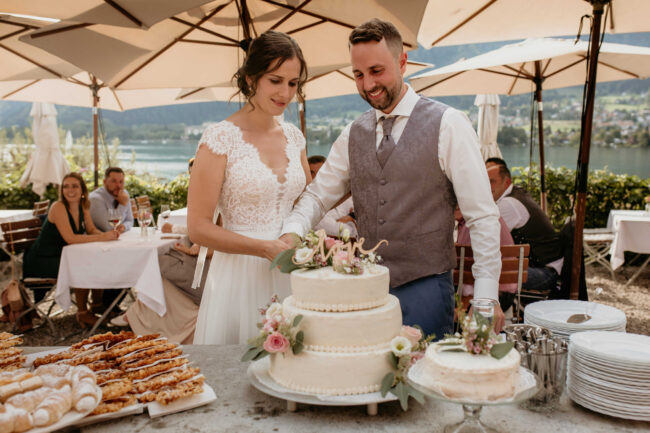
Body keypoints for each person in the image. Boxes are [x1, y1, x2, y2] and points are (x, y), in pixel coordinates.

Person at [280, 19, 504, 337]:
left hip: (427, 289)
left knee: (424, 368)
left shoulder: (449, 123)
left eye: (376, 70)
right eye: (359, 75)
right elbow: (317, 196)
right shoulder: (353, 133)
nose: (368, 84)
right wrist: (292, 230)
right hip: (366, 291)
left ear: (402, 62)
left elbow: (481, 216)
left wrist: (485, 297)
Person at [188, 30, 311, 345]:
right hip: (238, 276)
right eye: (275, 80)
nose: (285, 92)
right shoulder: (219, 139)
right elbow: (198, 228)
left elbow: (307, 204)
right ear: (251, 78)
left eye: (293, 83)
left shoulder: (294, 137)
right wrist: (262, 248)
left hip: (291, 272)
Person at [22, 172, 119, 327]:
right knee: (80, 266)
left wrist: (109, 235)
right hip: (42, 260)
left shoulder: (83, 205)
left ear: (82, 190)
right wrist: (103, 237)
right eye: (66, 186)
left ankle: (97, 304)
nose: (70, 190)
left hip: (64, 256)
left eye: (75, 186)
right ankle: (82, 313)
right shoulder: (58, 207)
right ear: (62, 190)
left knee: (97, 259)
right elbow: (70, 238)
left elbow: (91, 229)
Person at [485, 157, 564, 296]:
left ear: (506, 182)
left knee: (483, 273)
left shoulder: (509, 204)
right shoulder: (515, 195)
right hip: (545, 268)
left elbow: (487, 238)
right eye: (486, 182)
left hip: (545, 273)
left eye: (492, 181)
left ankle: (492, 307)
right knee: (485, 269)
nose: (488, 186)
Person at [89, 166, 134, 315]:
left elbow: (130, 221)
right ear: (104, 182)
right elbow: (108, 227)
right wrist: (123, 204)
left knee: (135, 261)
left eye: (121, 181)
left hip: (115, 245)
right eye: (114, 181)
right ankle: (108, 305)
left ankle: (111, 306)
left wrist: (123, 227)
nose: (118, 185)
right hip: (97, 249)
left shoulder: (123, 194)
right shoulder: (96, 199)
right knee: (130, 263)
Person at [455, 206, 518, 312]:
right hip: (508, 293)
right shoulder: (490, 216)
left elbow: (467, 274)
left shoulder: (474, 223)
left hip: (490, 297)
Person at [308, 155, 357, 239]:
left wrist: (351, 217)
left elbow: (365, 217)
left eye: (320, 172)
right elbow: (341, 232)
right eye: (312, 173)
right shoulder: (310, 205)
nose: (316, 177)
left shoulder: (343, 195)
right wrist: (353, 222)